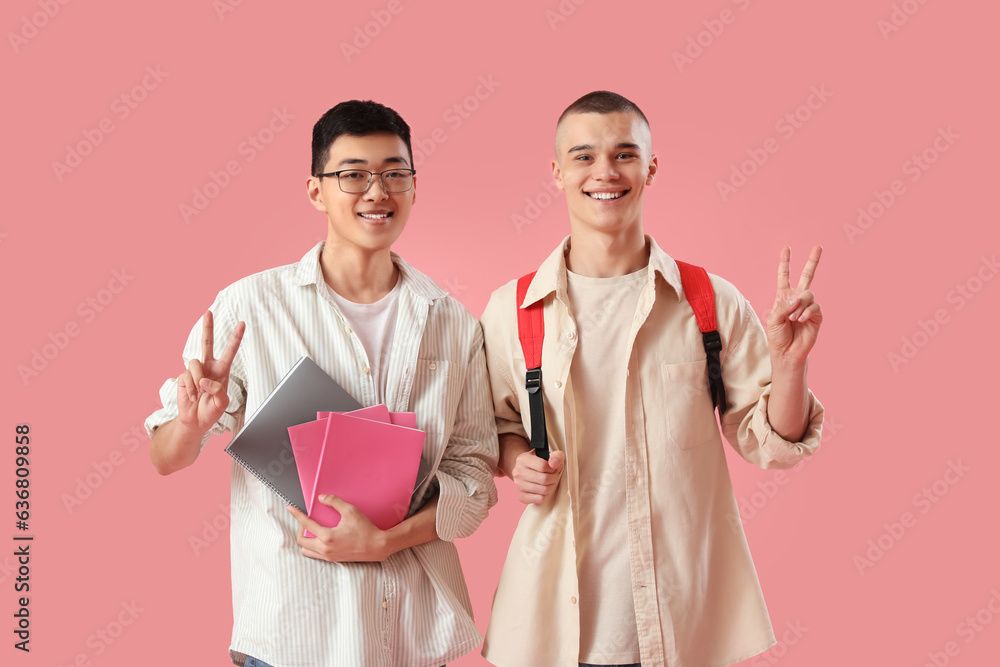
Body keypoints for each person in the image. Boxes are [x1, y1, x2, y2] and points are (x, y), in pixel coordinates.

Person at [146, 100, 498, 667]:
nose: (377, 191)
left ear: (413, 185)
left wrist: (383, 542)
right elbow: (166, 457)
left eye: (394, 173)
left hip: (411, 637)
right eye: (353, 174)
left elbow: (474, 483)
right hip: (289, 637)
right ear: (316, 191)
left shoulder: (453, 322)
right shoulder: (249, 309)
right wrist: (192, 423)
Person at [479, 91, 825, 667]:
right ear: (558, 172)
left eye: (624, 154)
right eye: (584, 156)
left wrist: (790, 366)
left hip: (684, 621)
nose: (605, 172)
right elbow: (491, 427)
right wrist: (517, 461)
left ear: (651, 167)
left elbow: (771, 444)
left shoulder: (707, 301)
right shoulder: (512, 310)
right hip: (553, 627)